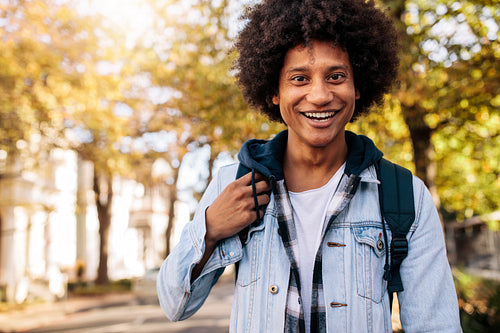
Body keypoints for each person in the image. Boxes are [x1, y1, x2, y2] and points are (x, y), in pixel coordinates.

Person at [156, 0, 462, 332]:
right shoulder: (233, 184)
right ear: (275, 90)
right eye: (300, 78)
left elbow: (436, 326)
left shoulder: (405, 197)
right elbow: (175, 305)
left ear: (358, 87)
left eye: (336, 76)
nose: (319, 95)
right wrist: (210, 229)